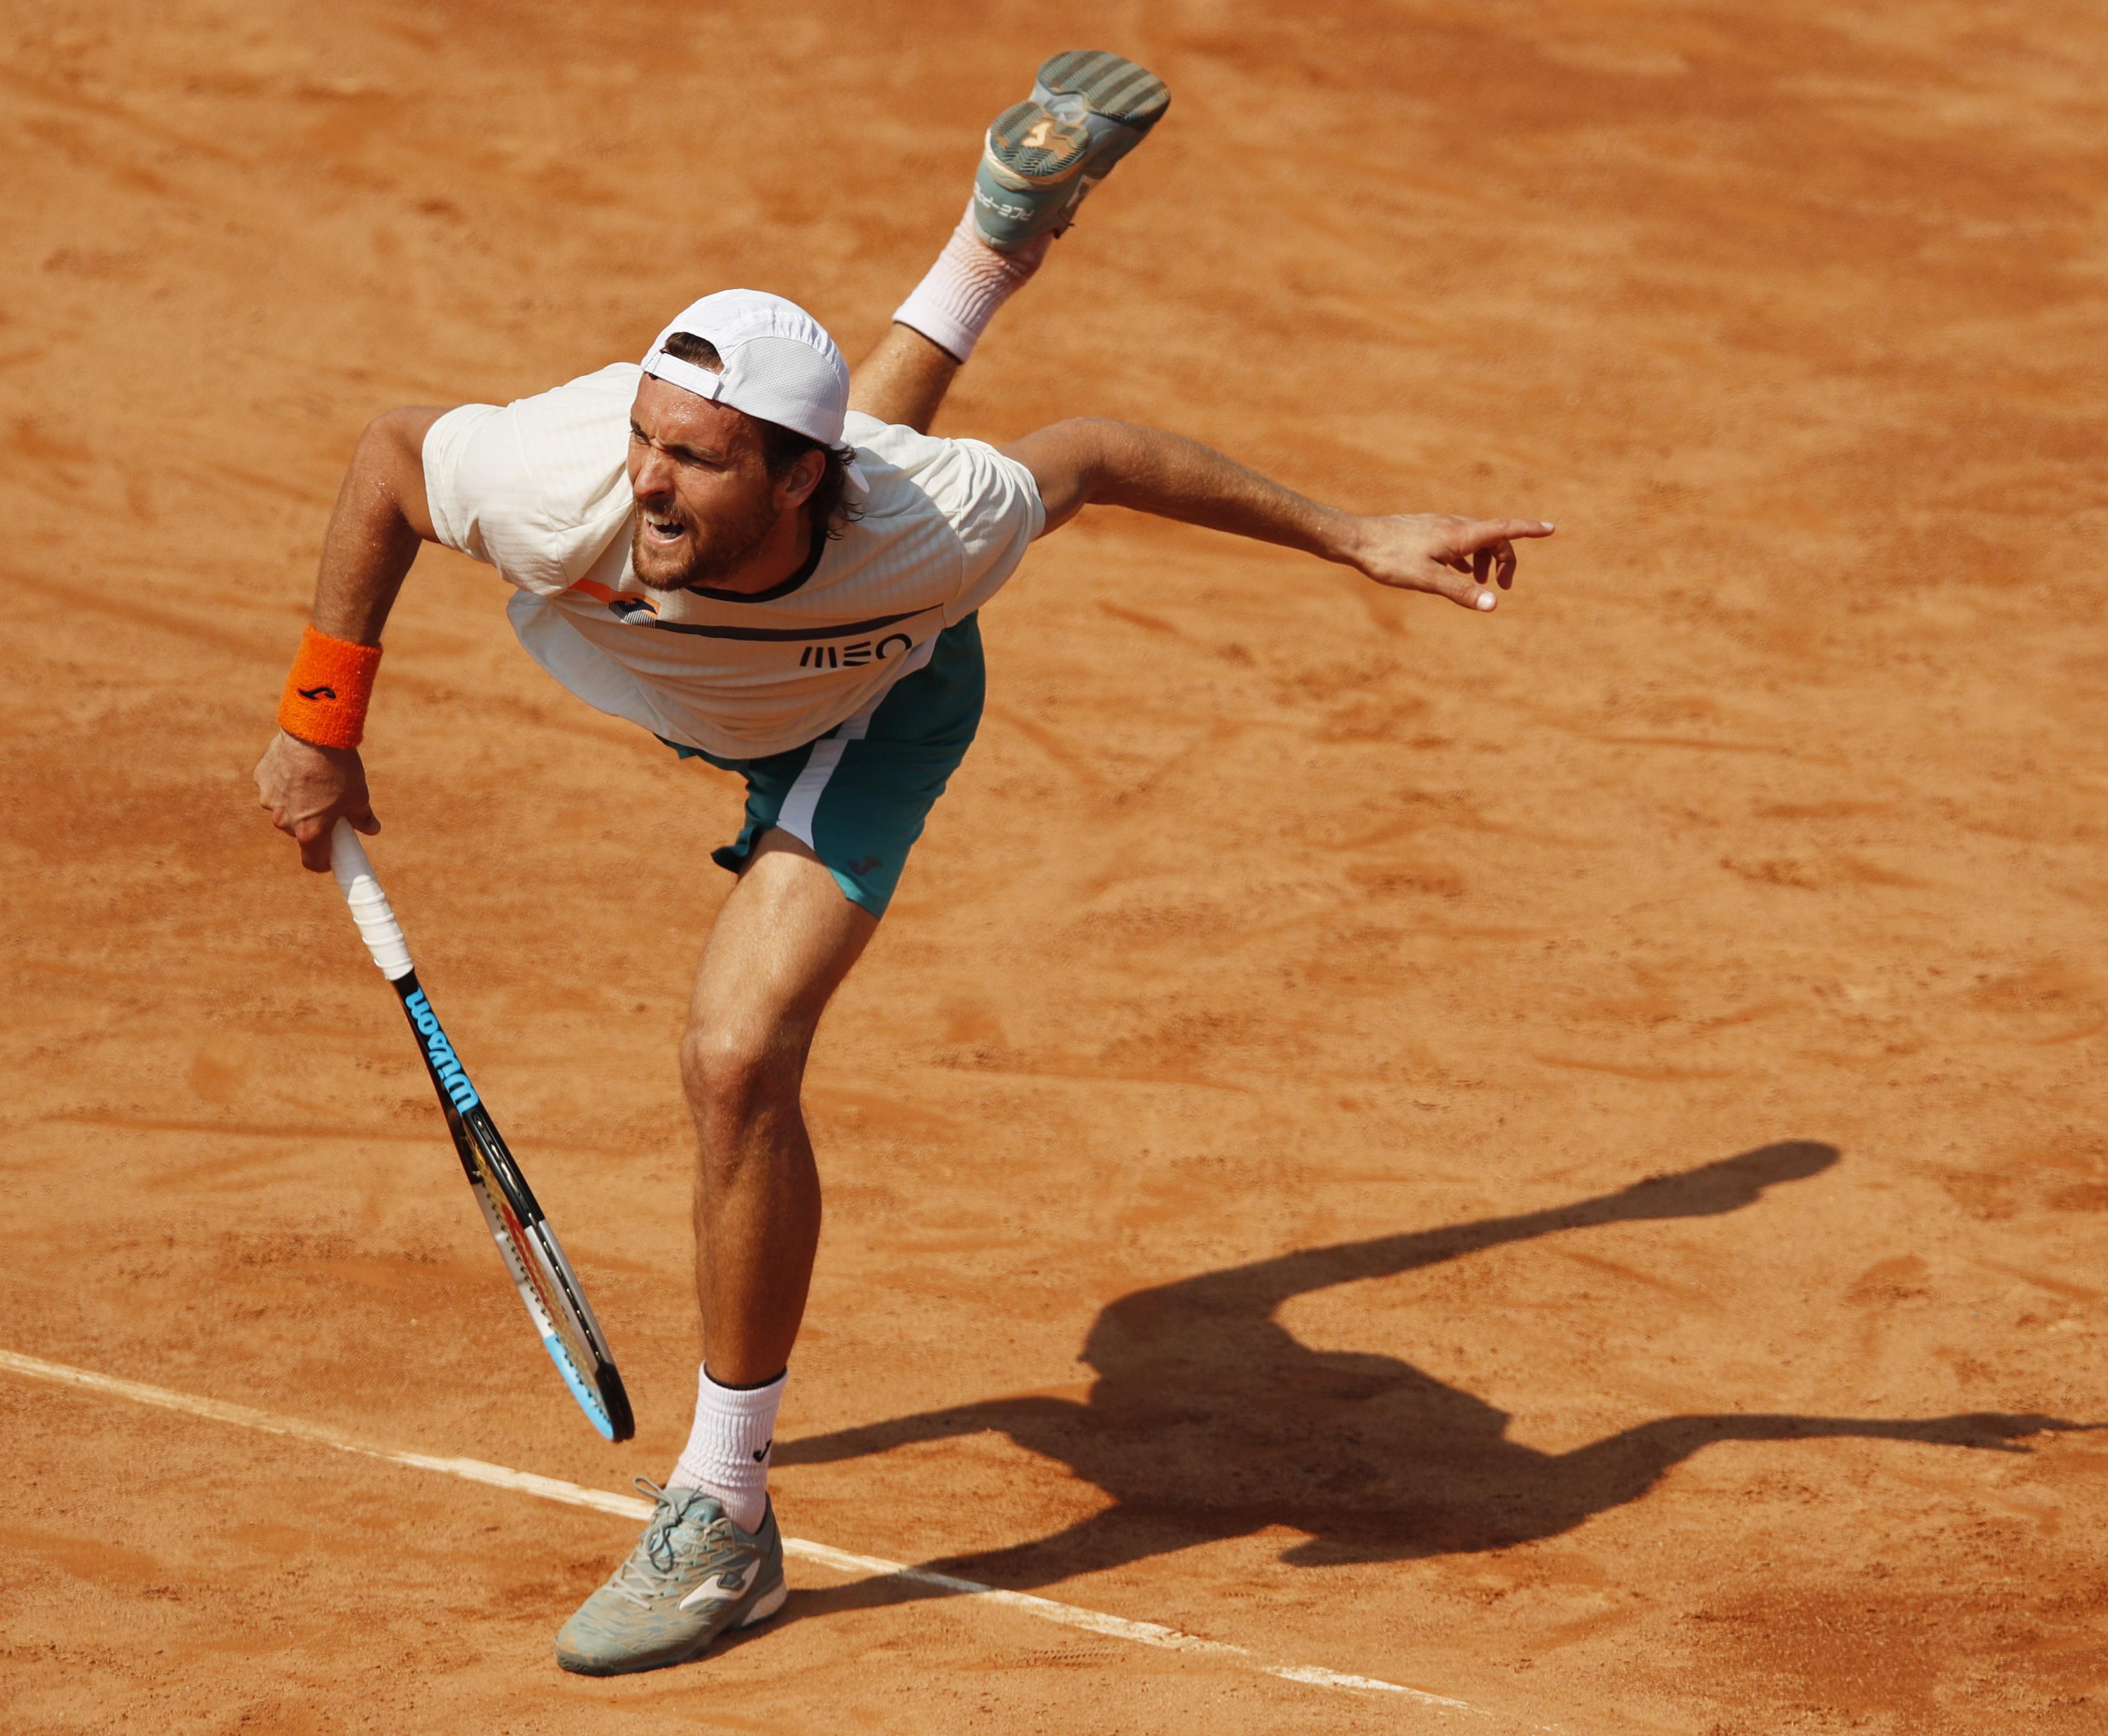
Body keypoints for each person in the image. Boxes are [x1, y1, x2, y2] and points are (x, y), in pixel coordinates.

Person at [252, 50, 1551, 1676]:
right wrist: (321, 719)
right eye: (650, 442)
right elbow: (386, 456)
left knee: (735, 1058)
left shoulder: (927, 524)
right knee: (831, 503)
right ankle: (997, 235)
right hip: (735, 651)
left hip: (865, 715)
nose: (649, 480)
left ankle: (725, 1519)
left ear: (797, 471)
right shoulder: (559, 477)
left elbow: (1087, 456)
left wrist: (1357, 535)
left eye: (697, 457)